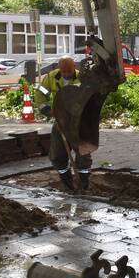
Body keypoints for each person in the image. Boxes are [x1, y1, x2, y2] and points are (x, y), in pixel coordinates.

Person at [35, 56, 93, 192]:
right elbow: (40, 94)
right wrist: (46, 109)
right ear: (59, 69)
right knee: (57, 155)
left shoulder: (82, 79)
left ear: (74, 67)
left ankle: (83, 182)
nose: (66, 74)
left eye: (69, 71)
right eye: (64, 71)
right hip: (60, 121)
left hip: (79, 122)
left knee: (83, 154)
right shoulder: (51, 78)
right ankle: (67, 182)